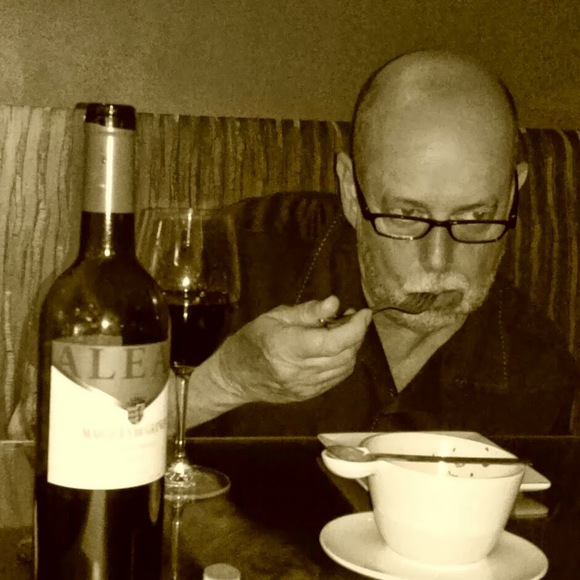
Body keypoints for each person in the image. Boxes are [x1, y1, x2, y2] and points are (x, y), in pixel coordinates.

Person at [182, 50, 579, 438]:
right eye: (406, 215)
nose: (438, 260)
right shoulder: (229, 258)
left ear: (512, 196)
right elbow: (137, 422)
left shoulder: (535, 370)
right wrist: (225, 380)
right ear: (351, 192)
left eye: (474, 217)